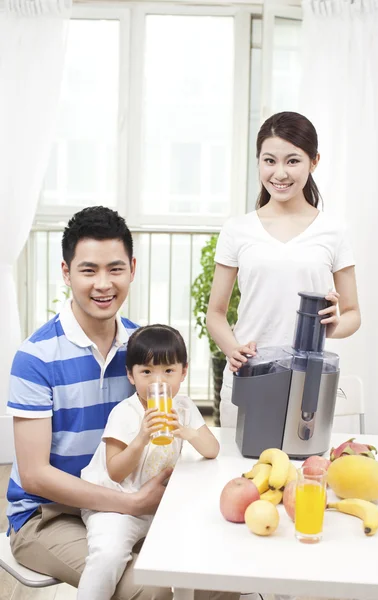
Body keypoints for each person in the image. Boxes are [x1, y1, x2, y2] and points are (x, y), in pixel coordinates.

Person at [6, 206, 239, 600]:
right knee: (153, 589)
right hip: (48, 514)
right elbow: (35, 477)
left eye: (115, 269)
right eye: (88, 270)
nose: (103, 284)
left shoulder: (143, 353)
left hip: (131, 500)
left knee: (217, 575)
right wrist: (130, 503)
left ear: (132, 268)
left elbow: (182, 431)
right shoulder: (36, 358)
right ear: (66, 273)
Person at [206, 111, 361, 428]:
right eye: (269, 160)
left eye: (293, 161)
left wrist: (334, 325)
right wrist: (232, 349)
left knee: (304, 473)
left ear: (313, 162)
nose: (279, 173)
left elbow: (353, 314)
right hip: (248, 375)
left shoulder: (333, 230)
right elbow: (216, 313)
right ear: (259, 161)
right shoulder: (237, 229)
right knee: (242, 473)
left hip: (308, 378)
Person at [77, 324, 219, 600]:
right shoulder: (125, 413)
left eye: (168, 371)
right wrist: (142, 437)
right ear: (131, 375)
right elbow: (116, 472)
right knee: (108, 554)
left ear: (184, 372)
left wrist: (187, 432)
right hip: (114, 505)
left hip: (156, 507)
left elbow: (212, 449)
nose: (159, 382)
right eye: (146, 372)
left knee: (193, 546)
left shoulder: (184, 407)